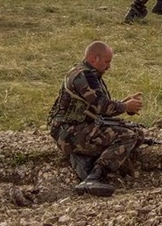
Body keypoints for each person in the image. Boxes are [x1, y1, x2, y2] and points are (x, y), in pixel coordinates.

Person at [47, 41, 145, 197]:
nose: (109, 66)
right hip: (68, 133)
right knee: (127, 136)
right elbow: (101, 107)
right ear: (94, 59)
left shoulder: (89, 74)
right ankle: (94, 176)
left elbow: (97, 108)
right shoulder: (84, 76)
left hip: (76, 129)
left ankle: (89, 160)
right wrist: (125, 107)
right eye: (107, 62)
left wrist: (124, 104)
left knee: (137, 134)